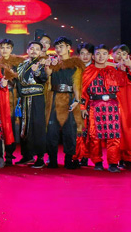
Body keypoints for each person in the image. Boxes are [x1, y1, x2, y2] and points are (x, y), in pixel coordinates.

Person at [44, 36, 85, 169]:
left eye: (61, 46)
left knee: (70, 131)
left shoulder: (76, 65)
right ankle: (52, 160)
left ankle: (69, 160)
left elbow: (77, 84)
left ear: (68, 48)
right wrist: (48, 65)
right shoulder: (53, 63)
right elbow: (47, 75)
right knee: (51, 131)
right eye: (56, 47)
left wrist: (77, 100)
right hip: (54, 98)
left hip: (69, 98)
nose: (58, 49)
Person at [15, 41, 49, 168]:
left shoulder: (42, 63)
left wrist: (37, 72)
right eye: (32, 48)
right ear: (28, 50)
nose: (34, 51)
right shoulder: (22, 65)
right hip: (24, 98)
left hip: (37, 98)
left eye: (37, 49)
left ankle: (40, 157)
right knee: (24, 127)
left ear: (40, 52)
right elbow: (18, 82)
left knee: (37, 126)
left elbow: (44, 79)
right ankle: (27, 155)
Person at [0, 38, 24, 166]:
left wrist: (20, 98)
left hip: (11, 97)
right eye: (2, 47)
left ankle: (10, 154)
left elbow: (20, 82)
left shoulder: (18, 63)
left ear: (11, 49)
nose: (4, 50)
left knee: (9, 125)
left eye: (7, 47)